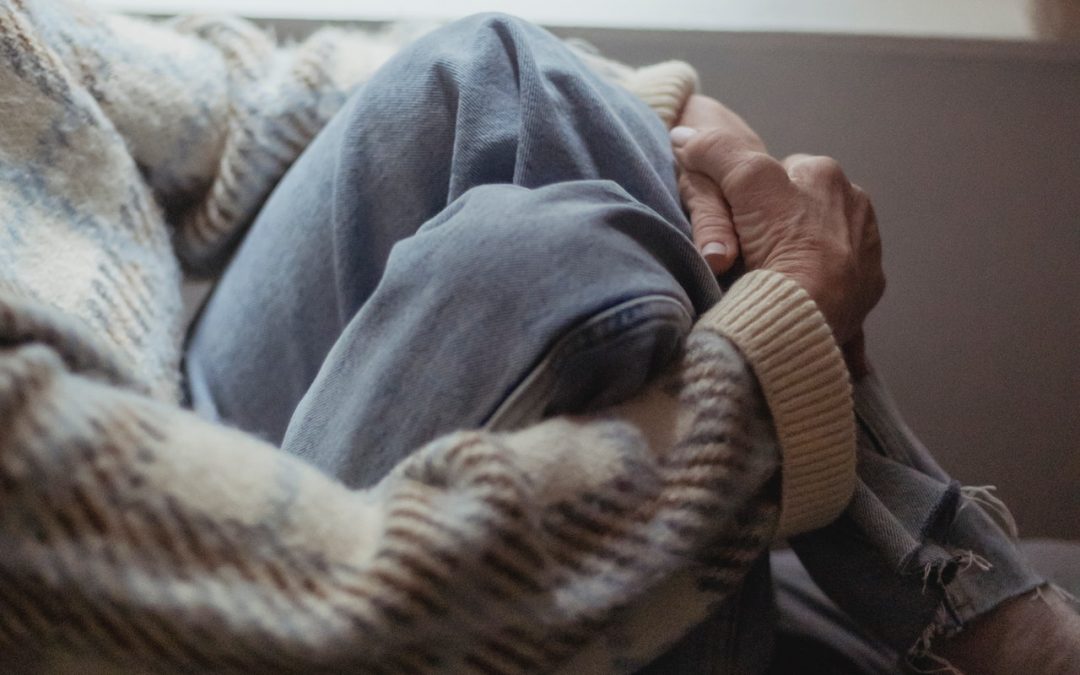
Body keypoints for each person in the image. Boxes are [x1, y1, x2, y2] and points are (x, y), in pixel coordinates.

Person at [0, 4, 1076, 672]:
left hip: (173, 402)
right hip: (182, 619)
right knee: (542, 258)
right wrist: (780, 344)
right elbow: (350, 601)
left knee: (493, 72)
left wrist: (672, 137)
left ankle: (959, 598)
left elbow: (242, 100)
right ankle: (964, 603)